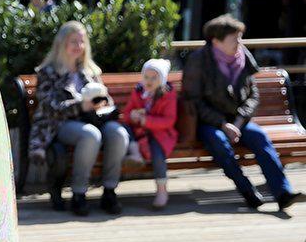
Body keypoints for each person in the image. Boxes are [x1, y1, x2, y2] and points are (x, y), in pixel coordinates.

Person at [183, 14, 302, 211]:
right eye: (234, 39)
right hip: (209, 122)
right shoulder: (198, 61)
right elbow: (193, 101)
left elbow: (253, 94)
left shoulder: (243, 56)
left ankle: (283, 193)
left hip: (238, 120)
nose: (239, 43)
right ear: (216, 41)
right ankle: (247, 191)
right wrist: (223, 125)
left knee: (260, 137)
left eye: (240, 38)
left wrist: (239, 120)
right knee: (219, 142)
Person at [28, 21, 129, 216]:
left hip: (94, 119)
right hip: (59, 124)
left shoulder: (90, 71)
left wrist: (101, 103)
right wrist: (80, 106)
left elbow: (106, 98)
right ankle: (79, 193)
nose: (79, 46)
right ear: (62, 43)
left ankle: (110, 191)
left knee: (118, 133)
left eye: (82, 42)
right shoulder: (48, 72)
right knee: (90, 135)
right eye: (74, 41)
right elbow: (49, 107)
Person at [121, 58, 178, 210]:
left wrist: (146, 120)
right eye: (146, 77)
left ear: (162, 79)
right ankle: (135, 154)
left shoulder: (167, 94)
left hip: (159, 133)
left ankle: (162, 190)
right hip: (139, 131)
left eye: (154, 78)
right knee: (124, 128)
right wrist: (132, 115)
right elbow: (126, 113)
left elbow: (169, 120)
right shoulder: (139, 91)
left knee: (157, 153)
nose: (149, 81)